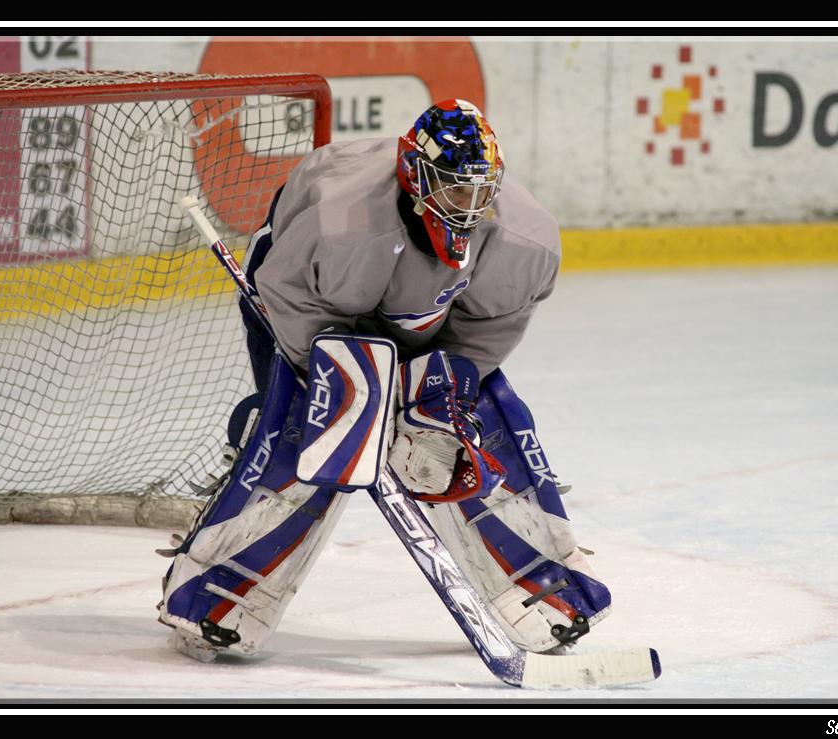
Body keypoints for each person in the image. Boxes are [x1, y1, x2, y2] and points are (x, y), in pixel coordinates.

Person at [157, 100, 612, 661]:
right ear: (416, 176)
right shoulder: (340, 224)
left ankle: (544, 584)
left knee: (467, 433)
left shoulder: (525, 241)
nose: (470, 207)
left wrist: (437, 399)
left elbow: (485, 335)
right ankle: (214, 592)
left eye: (481, 191)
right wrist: (355, 399)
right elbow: (293, 304)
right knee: (315, 429)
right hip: (308, 304)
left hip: (420, 319)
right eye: (455, 190)